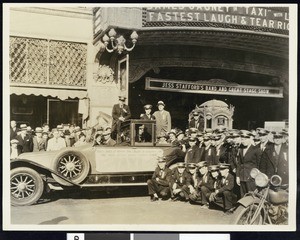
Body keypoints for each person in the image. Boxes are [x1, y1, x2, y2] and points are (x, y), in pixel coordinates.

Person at [236, 130, 261, 197]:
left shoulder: (256, 149)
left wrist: (257, 176)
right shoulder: (240, 149)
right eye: (242, 139)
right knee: (243, 195)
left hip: (251, 177)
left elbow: (259, 164)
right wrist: (238, 176)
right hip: (242, 176)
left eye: (245, 139)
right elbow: (239, 163)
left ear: (250, 138)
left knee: (252, 195)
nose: (243, 141)